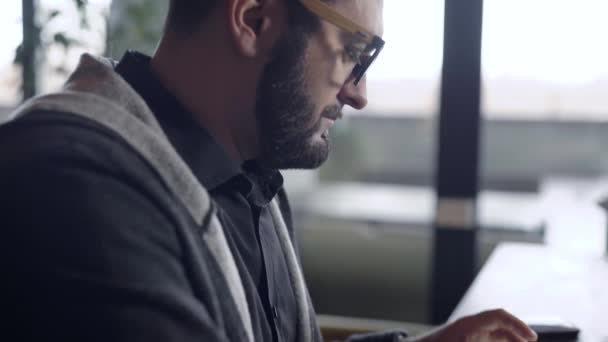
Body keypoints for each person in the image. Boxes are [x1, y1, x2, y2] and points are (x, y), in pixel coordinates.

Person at [0, 0, 538, 341]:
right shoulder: (71, 181)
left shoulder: (249, 175)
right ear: (254, 20)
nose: (359, 92)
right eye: (354, 52)